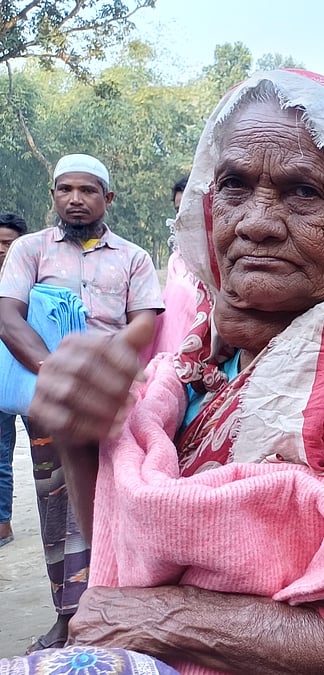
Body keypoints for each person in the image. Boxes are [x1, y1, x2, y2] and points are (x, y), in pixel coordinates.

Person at [26, 70, 324, 673]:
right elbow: (132, 549)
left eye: (303, 192)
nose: (257, 222)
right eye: (235, 186)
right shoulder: (192, 360)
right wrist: (82, 440)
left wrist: (162, 619)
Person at [0, 154, 163, 653]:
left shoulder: (133, 257)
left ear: (107, 199)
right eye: (64, 189)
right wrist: (58, 373)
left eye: (87, 190)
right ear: (53, 196)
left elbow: (145, 320)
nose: (75, 199)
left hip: (116, 401)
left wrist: (104, 362)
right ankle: (67, 614)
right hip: (48, 401)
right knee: (56, 505)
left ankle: (113, 608)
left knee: (116, 500)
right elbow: (8, 316)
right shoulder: (30, 250)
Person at [148, 174, 200, 357]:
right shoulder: (176, 262)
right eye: (177, 211)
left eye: (188, 209)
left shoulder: (225, 260)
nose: (181, 218)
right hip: (168, 355)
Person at [0, 211, 27, 549]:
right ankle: (2, 522)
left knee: (48, 459)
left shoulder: (33, 278)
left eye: (7, 243)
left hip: (30, 375)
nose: (1, 249)